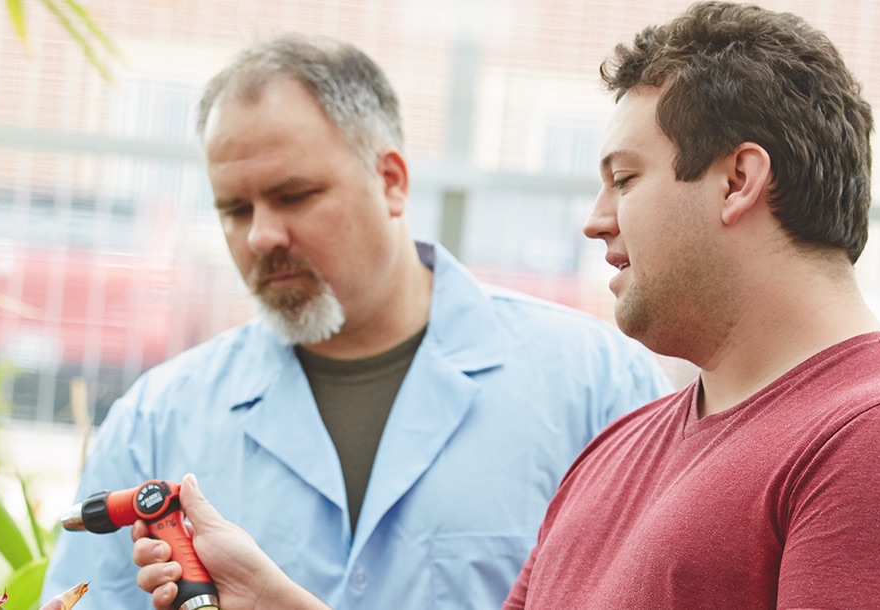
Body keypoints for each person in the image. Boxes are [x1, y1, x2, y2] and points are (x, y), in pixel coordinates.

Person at [132, 4, 880, 610]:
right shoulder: (618, 450)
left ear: (738, 181)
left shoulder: (873, 439)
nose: (596, 217)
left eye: (626, 179)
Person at [43, 34, 672, 609]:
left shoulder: (597, 388)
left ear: (391, 180)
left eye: (294, 195)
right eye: (235, 209)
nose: (262, 235)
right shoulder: (157, 421)